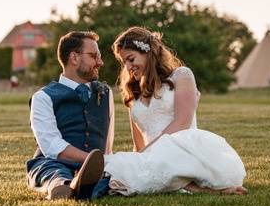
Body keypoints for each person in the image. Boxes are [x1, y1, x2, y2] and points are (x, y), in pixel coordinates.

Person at [103, 27, 246, 196]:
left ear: (148, 52)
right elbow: (138, 143)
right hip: (151, 155)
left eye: (131, 59)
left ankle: (195, 186)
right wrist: (138, 159)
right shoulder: (133, 94)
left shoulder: (182, 76)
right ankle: (183, 185)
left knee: (127, 169)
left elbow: (182, 122)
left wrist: (148, 153)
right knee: (110, 164)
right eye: (124, 62)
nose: (128, 67)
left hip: (183, 149)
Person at [26, 31, 114, 200]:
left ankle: (81, 185)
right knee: (53, 173)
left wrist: (104, 162)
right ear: (74, 58)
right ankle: (64, 186)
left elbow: (107, 141)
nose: (100, 62)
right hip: (53, 162)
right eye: (94, 56)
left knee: (113, 175)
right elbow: (51, 146)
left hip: (97, 167)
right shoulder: (43, 97)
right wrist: (91, 160)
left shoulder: (105, 93)